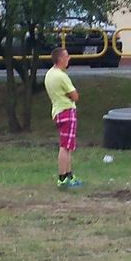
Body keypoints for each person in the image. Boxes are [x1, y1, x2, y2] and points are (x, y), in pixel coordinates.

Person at [46, 47, 82, 189]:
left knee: (68, 146)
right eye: (66, 56)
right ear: (60, 59)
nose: (69, 58)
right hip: (66, 110)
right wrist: (69, 96)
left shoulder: (50, 74)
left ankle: (69, 175)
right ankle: (62, 178)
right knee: (65, 146)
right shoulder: (61, 76)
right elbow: (75, 96)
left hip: (57, 110)